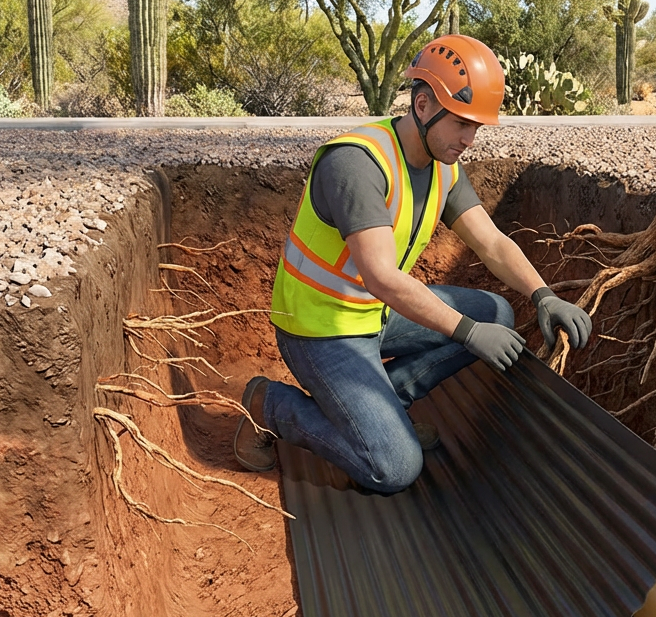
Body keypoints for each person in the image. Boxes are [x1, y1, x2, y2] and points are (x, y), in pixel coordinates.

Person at [234, 34, 592, 492]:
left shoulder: (443, 165)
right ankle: (271, 406)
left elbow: (492, 243)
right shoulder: (357, 163)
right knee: (394, 468)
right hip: (320, 329)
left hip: (374, 314)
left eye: (477, 127)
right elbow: (382, 276)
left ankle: (384, 408)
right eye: (462, 123)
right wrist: (465, 331)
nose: (470, 139)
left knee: (496, 314)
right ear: (423, 106)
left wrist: (543, 295)